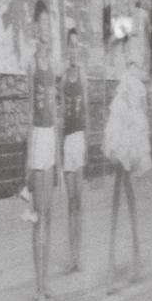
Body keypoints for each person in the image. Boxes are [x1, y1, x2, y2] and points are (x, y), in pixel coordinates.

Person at [102, 28, 151, 290]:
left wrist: (138, 137)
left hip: (130, 127)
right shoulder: (122, 48)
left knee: (124, 193)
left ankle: (131, 256)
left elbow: (140, 97)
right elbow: (111, 47)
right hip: (123, 123)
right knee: (120, 193)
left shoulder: (135, 55)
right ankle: (125, 257)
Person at [21, 0, 59, 301]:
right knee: (35, 216)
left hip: (50, 139)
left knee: (48, 214)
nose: (45, 28)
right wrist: (27, 157)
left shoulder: (54, 64)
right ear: (36, 28)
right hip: (36, 139)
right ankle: (36, 285)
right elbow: (29, 111)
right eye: (41, 23)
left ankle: (45, 283)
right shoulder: (32, 64)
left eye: (49, 23)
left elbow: (54, 111)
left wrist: (57, 154)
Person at [61, 22, 88, 271]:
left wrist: (87, 143)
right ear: (66, 48)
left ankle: (78, 255)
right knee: (70, 201)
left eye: (76, 45)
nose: (73, 49)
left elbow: (87, 111)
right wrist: (60, 150)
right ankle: (72, 256)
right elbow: (59, 116)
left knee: (78, 201)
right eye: (70, 45)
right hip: (67, 142)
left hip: (79, 140)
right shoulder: (61, 79)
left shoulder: (82, 74)